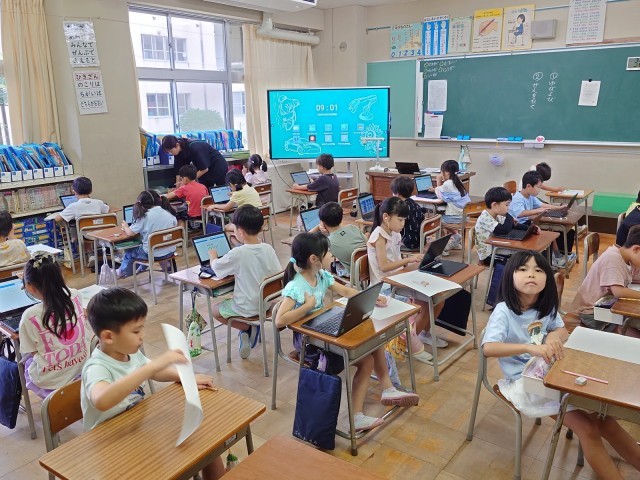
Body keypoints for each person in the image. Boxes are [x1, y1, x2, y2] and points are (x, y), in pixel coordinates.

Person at [483, 251, 640, 480]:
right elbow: (488, 348)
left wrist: (552, 337)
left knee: (605, 419)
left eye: (538, 270)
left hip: (554, 373)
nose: (531, 275)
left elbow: (561, 330)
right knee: (588, 428)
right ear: (510, 276)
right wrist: (530, 348)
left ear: (547, 278)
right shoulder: (503, 311)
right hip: (524, 383)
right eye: (523, 269)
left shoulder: (545, 306)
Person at [275, 232, 419, 432]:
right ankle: (357, 417)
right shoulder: (296, 286)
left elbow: (345, 291)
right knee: (366, 361)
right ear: (314, 259)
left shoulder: (320, 275)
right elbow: (279, 320)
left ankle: (388, 389)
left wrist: (369, 297)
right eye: (328, 253)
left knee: (374, 341)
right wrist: (307, 306)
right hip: (311, 344)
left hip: (323, 330)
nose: (332, 256)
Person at [81, 287, 225, 479]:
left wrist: (185, 378)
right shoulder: (97, 367)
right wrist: (149, 368)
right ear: (108, 336)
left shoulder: (130, 354)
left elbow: (157, 372)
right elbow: (101, 400)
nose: (142, 335)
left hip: (135, 428)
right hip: (108, 443)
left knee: (207, 444)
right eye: (135, 331)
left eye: (142, 328)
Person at [367, 197, 446, 360]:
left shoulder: (394, 233)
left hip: (399, 278)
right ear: (386, 217)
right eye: (400, 220)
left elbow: (396, 259)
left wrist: (415, 259)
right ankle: (409, 344)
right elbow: (384, 267)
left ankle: (421, 333)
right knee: (425, 303)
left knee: (439, 297)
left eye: (404, 220)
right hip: (385, 285)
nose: (403, 224)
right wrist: (409, 260)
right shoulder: (379, 236)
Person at [209, 205, 281, 359]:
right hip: (265, 304)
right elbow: (276, 273)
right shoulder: (268, 248)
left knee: (214, 310)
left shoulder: (238, 253)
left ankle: (247, 328)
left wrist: (213, 256)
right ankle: (248, 330)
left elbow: (217, 268)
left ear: (240, 231)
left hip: (246, 308)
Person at [19, 253, 91, 398]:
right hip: (82, 369)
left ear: (29, 287)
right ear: (61, 277)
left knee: (26, 362)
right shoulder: (75, 295)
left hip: (52, 384)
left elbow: (32, 351)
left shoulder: (29, 316)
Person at [570, 224, 640, 336]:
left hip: (607, 308)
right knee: (633, 336)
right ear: (636, 249)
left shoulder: (626, 258)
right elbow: (619, 292)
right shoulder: (612, 258)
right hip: (592, 313)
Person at [509, 171, 570, 268]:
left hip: (527, 224)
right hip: (519, 227)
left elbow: (542, 205)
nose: (539, 190)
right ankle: (549, 261)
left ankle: (554, 259)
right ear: (528, 186)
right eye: (538, 187)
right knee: (546, 236)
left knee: (549, 235)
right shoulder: (518, 198)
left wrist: (558, 208)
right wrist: (538, 211)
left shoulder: (530, 196)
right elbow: (520, 213)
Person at [116, 190, 178, 278]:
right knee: (151, 246)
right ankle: (165, 266)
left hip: (152, 254)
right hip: (170, 251)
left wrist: (125, 226)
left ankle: (122, 272)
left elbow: (130, 233)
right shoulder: (169, 213)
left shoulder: (145, 216)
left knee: (130, 252)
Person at [474, 187, 535, 266]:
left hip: (496, 247)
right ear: (495, 205)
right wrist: (509, 217)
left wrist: (530, 229)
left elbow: (512, 225)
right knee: (516, 263)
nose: (508, 208)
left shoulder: (497, 214)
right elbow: (504, 230)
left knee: (521, 257)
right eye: (507, 205)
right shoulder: (485, 218)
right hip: (488, 255)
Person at [315, 201, 367, 277]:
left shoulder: (328, 242)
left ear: (322, 222)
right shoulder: (352, 227)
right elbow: (367, 243)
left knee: (322, 258)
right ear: (341, 217)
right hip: (367, 267)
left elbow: (303, 240)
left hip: (354, 274)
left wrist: (318, 227)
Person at [161, 135, 228, 189]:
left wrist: (187, 181)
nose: (170, 153)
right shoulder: (178, 152)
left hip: (217, 166)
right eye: (168, 152)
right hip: (204, 169)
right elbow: (178, 170)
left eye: (171, 151)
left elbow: (204, 169)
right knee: (205, 190)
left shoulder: (194, 147)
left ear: (177, 145)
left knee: (220, 191)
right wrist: (177, 187)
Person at [434, 160, 470, 254]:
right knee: (442, 217)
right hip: (464, 215)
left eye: (441, 171)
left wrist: (438, 181)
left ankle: (443, 248)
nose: (441, 174)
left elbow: (441, 196)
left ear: (447, 172)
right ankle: (456, 237)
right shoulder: (458, 181)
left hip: (456, 217)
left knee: (438, 220)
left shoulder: (447, 183)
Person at [164, 164, 209, 228]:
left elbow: (167, 197)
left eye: (181, 178)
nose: (181, 180)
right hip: (204, 214)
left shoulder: (184, 188)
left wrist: (175, 190)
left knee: (178, 214)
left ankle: (182, 231)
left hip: (192, 216)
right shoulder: (203, 186)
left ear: (185, 179)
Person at [390, 175, 426, 250]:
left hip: (408, 243)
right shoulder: (413, 203)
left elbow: (394, 227)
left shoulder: (400, 208)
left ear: (397, 193)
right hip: (420, 241)